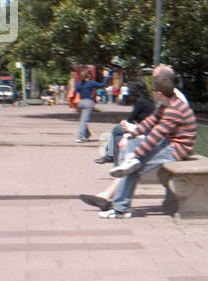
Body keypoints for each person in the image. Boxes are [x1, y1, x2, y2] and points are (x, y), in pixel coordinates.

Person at [89, 68, 196, 218]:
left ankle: (120, 207)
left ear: (159, 93)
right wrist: (131, 135)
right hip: (168, 143)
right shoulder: (168, 103)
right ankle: (121, 201)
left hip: (177, 149)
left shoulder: (174, 109)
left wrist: (136, 153)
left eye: (154, 91)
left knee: (133, 165)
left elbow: (157, 134)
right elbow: (150, 122)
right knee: (132, 152)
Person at [94, 81, 154, 164]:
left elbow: (131, 118)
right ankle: (110, 156)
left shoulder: (140, 102)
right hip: (145, 127)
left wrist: (124, 122)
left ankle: (109, 156)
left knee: (117, 129)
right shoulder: (146, 101)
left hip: (144, 129)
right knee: (117, 137)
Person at [72, 68, 111, 143]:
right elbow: (102, 85)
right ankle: (80, 137)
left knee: (82, 120)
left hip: (80, 103)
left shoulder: (78, 84)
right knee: (84, 120)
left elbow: (74, 93)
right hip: (88, 103)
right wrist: (106, 77)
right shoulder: (91, 83)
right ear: (88, 76)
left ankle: (87, 134)